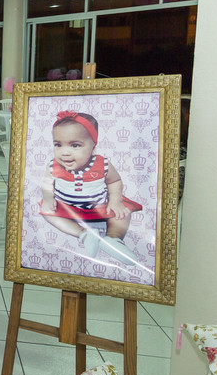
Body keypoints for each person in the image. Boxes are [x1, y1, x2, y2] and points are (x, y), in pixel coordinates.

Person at [39, 110, 143, 265]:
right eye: (58, 145)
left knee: (123, 213)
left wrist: (115, 201)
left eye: (75, 145)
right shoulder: (53, 165)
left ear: (93, 147)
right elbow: (47, 183)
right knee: (47, 211)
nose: (65, 152)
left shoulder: (102, 164)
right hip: (68, 207)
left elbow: (114, 181)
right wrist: (48, 199)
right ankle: (84, 234)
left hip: (99, 206)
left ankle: (113, 239)